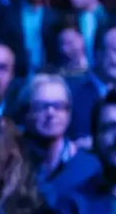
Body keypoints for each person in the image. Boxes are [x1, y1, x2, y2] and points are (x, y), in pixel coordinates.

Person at [19, 75, 100, 207]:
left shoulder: (90, 167)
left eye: (59, 106)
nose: (51, 113)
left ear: (69, 113)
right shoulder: (13, 163)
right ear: (26, 113)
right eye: (41, 106)